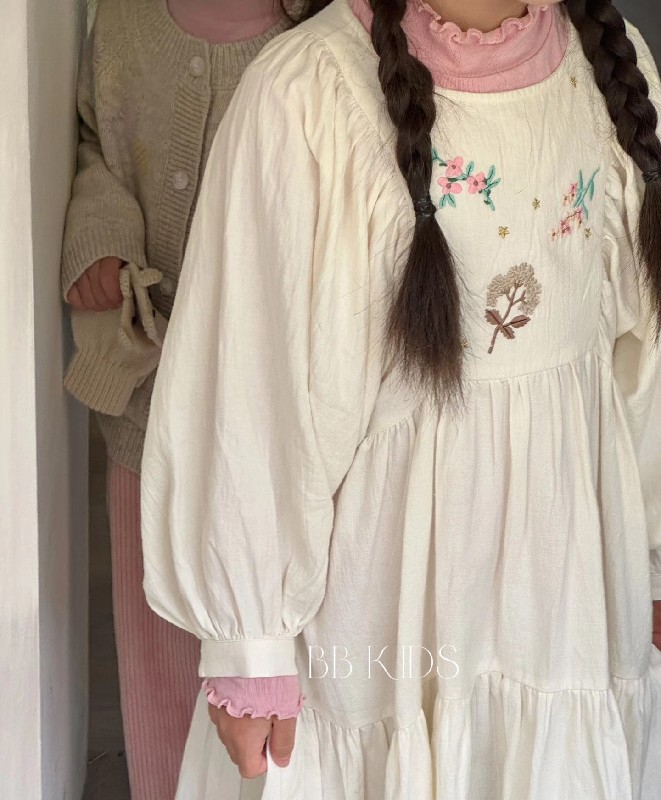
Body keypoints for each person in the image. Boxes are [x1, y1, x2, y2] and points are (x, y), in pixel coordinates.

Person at [141, 0, 661, 797]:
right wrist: (249, 639)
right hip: (379, 627)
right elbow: (252, 389)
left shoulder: (610, 63)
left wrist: (651, 553)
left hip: (565, 609)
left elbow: (643, 362)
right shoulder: (307, 93)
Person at [59, 1, 295, 797]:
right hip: (148, 412)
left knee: (276, 657)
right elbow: (93, 143)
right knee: (157, 645)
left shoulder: (324, 40)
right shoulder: (125, 24)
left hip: (276, 428)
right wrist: (101, 240)